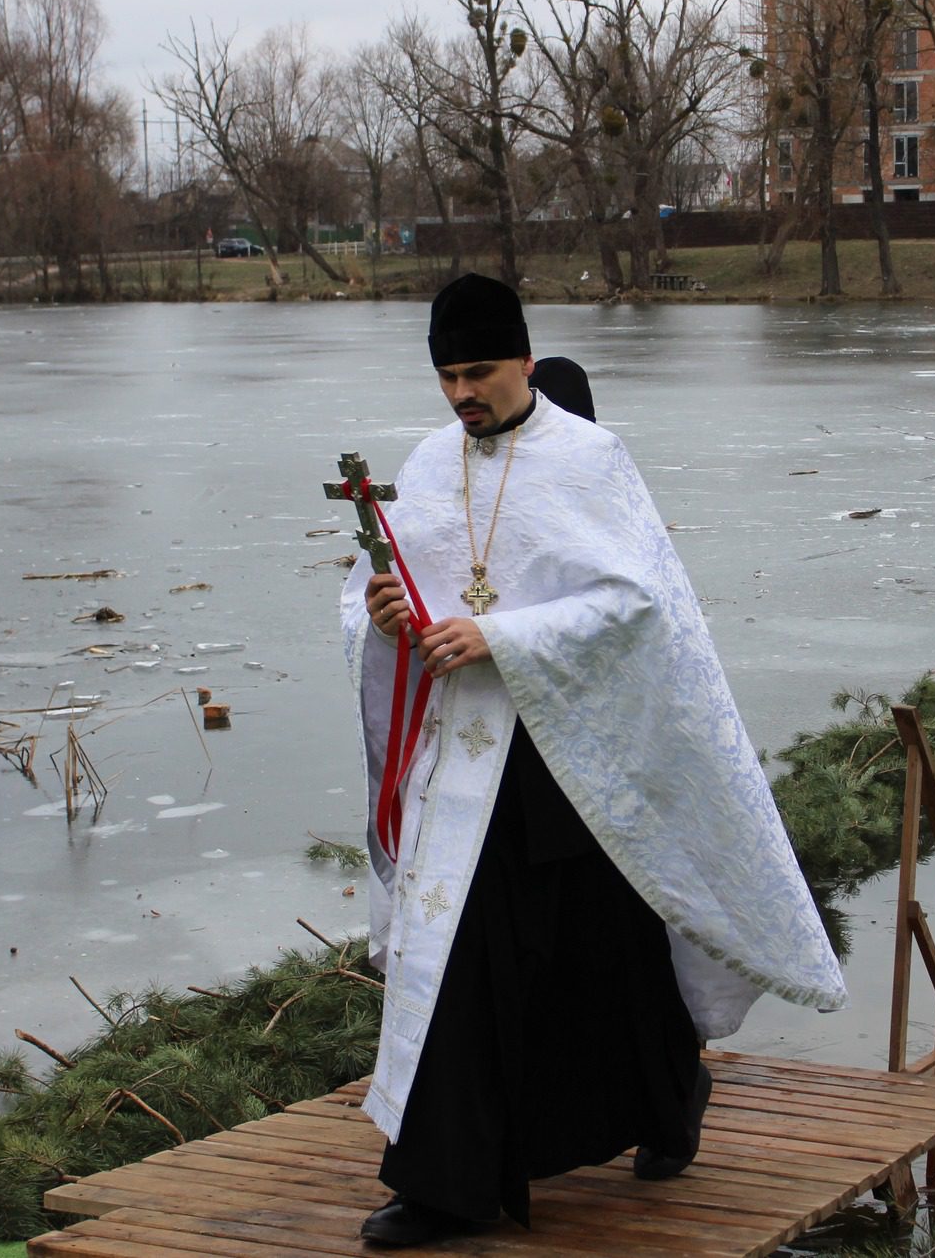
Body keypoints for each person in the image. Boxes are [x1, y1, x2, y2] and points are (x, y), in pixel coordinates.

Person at [337, 273, 846, 1248]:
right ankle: (444, 1185)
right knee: (461, 956)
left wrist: (502, 638)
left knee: (606, 947)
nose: (460, 395)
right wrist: (384, 613)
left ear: (524, 359)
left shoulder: (587, 458)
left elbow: (637, 605)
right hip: (468, 765)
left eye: (477, 371)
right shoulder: (427, 463)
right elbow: (385, 579)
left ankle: (669, 1099)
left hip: (578, 750)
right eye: (446, 376)